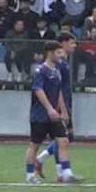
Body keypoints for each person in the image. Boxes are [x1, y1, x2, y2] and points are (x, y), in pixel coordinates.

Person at [25, 41, 81, 184]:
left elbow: (59, 92)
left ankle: (67, 173)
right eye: (58, 52)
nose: (61, 55)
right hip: (40, 115)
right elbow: (38, 90)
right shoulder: (41, 71)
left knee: (63, 141)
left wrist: (63, 110)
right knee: (34, 144)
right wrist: (49, 108)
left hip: (55, 116)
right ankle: (30, 175)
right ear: (50, 53)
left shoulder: (56, 71)